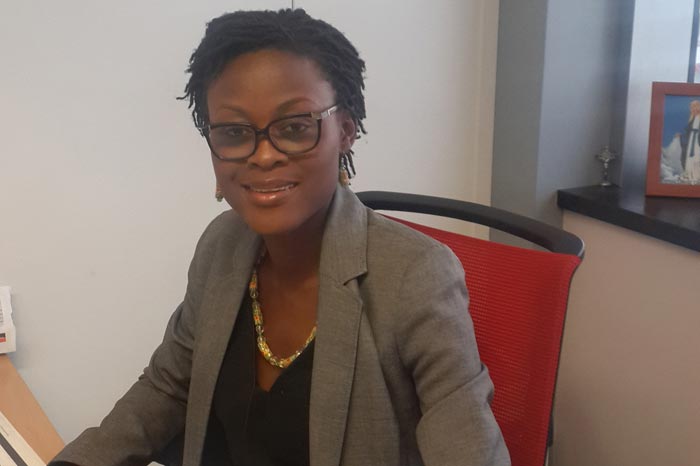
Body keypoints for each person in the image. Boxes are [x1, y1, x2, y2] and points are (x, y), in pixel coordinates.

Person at [50, 9, 509, 466]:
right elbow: (168, 386)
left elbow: (468, 447)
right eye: (234, 132)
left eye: (294, 128)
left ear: (345, 131)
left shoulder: (415, 276)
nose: (264, 156)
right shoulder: (222, 245)